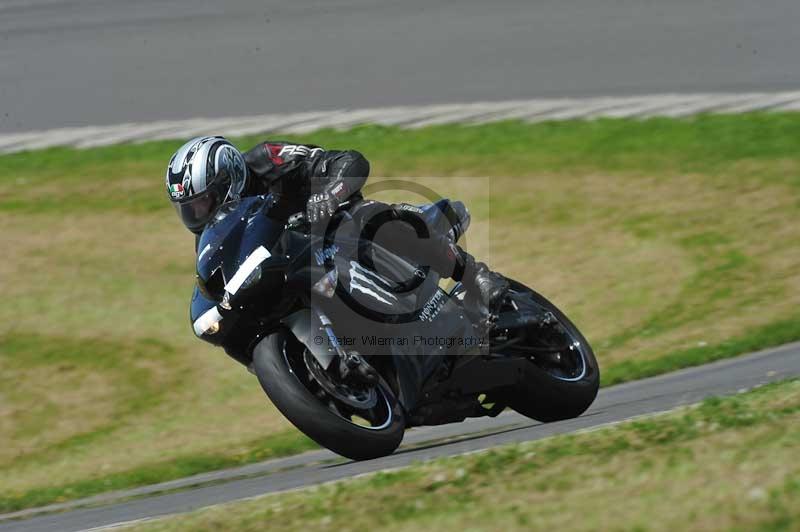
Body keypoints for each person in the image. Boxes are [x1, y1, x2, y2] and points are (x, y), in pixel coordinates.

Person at [165, 136, 508, 379]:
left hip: (332, 224)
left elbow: (349, 160)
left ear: (230, 178)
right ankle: (322, 373)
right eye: (188, 209)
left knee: (370, 219)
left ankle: (474, 275)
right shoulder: (212, 236)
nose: (197, 214)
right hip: (290, 266)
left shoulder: (267, 159)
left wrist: (330, 193)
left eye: (203, 202)